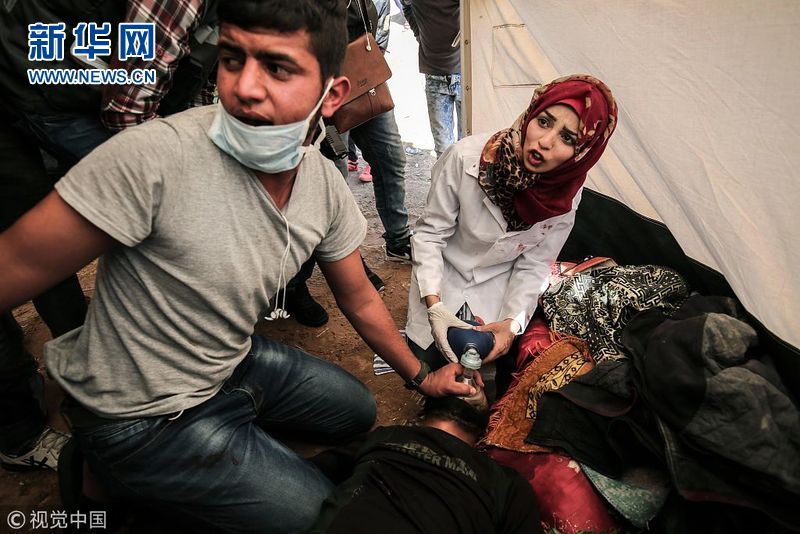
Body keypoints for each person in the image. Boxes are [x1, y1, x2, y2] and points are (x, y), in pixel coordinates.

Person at [0, 1, 476, 531]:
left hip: (228, 364)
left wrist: (421, 377)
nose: (244, 88)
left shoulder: (322, 185)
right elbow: (12, 264)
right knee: (320, 519)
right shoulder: (154, 156)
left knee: (356, 412)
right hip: (142, 414)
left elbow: (360, 296)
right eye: (232, 60)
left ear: (332, 94)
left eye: (277, 68)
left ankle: (214, 443)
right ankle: (102, 475)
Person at [0, 0, 219, 471]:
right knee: (149, 214)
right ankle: (24, 429)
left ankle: (90, 366)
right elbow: (128, 112)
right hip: (39, 87)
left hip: (56, 79)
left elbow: (173, 75)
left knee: (52, 236)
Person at [406, 75, 618, 368]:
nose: (545, 141)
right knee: (424, 364)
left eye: (567, 138)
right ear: (531, 112)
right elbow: (430, 235)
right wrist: (434, 305)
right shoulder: (464, 158)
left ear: (583, 151)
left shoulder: (566, 196)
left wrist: (512, 323)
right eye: (543, 122)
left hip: (497, 293)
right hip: (443, 277)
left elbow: (535, 265)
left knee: (481, 374)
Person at [283, 0, 413, 328]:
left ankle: (398, 240)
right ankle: (296, 283)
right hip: (318, 85)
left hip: (362, 74)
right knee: (331, 187)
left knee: (391, 158)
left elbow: (373, 18)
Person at [308, 396, 542, 533]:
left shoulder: (506, 484)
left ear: (484, 435)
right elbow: (314, 472)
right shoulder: (386, 435)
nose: (468, 382)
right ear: (421, 414)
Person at [403, 0, 463, 157]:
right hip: (435, 72)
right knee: (443, 152)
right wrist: (419, 35)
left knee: (468, 147)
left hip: (465, 71)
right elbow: (406, 6)